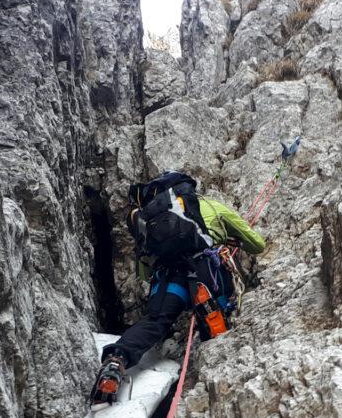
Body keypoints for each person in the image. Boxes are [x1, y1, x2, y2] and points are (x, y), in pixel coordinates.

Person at [91, 172, 266, 405]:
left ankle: (116, 360)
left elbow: (144, 271)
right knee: (218, 312)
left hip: (168, 276)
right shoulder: (210, 205)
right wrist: (232, 240)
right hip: (204, 269)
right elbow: (258, 245)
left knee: (155, 321)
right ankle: (211, 313)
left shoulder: (150, 218)